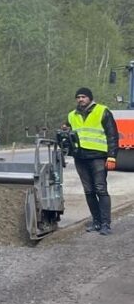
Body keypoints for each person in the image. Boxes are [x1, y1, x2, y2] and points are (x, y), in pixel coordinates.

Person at [66, 87, 119, 235]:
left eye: (83, 97)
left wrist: (112, 156)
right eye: (78, 97)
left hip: (98, 157)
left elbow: (112, 135)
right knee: (89, 191)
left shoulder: (102, 111)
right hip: (80, 158)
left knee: (100, 189)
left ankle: (106, 224)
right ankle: (96, 221)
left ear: (89, 98)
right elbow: (67, 131)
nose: (80, 99)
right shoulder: (72, 115)